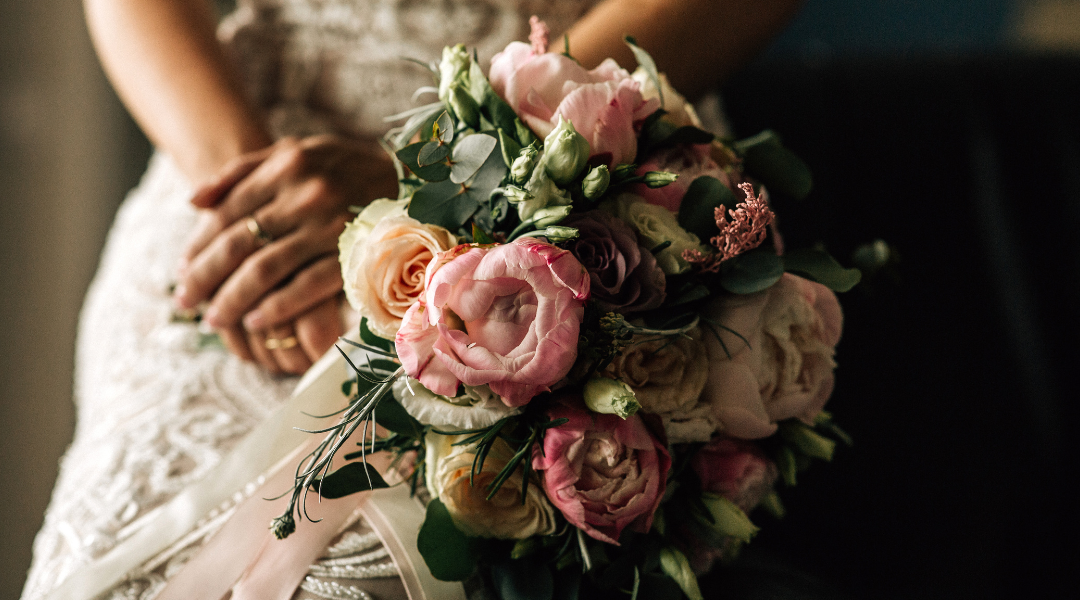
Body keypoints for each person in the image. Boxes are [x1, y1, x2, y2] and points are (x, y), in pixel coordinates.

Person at [21, 1, 804, 599]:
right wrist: (261, 206)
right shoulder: (250, 185)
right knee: (117, 556)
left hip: (561, 155)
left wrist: (443, 174)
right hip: (240, 151)